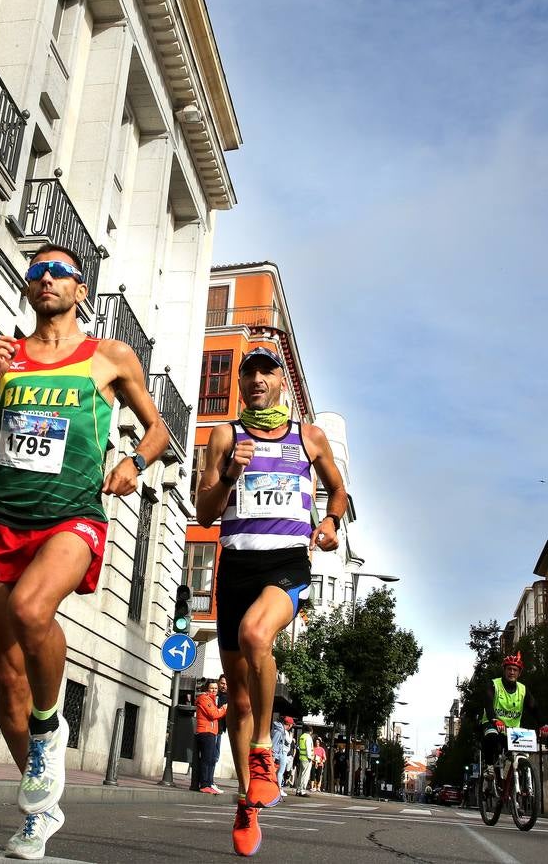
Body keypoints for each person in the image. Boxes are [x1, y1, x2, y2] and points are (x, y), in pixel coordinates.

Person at [0, 245, 169, 859]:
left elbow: (159, 430)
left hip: (72, 516)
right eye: (36, 272)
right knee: (7, 680)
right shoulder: (3, 355)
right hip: (5, 522)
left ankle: (50, 726)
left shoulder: (109, 356)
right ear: (27, 288)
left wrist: (133, 461)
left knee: (31, 609)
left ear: (80, 290)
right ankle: (39, 809)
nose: (44, 278)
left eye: (59, 272)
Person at [196, 346, 347, 856]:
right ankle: (246, 800)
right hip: (235, 564)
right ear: (242, 382)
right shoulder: (226, 436)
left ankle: (263, 748)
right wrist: (231, 477)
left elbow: (338, 492)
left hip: (286, 564)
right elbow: (204, 510)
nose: (258, 378)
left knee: (257, 634)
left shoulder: (308, 437)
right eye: (249, 371)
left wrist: (328, 523)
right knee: (237, 698)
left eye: (266, 370)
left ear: (282, 381)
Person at [480, 651, 548, 778]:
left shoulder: (523, 690)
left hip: (512, 730)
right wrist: (495, 720)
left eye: (515, 670)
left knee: (513, 757)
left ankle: (507, 786)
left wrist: (543, 724)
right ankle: (489, 767)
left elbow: (535, 708)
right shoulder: (494, 685)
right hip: (492, 723)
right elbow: (488, 705)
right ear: (504, 670)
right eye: (509, 669)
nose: (512, 672)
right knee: (491, 737)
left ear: (519, 673)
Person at [196, 680, 228, 794]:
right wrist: (224, 709)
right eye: (212, 688)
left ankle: (208, 783)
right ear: (207, 689)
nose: (214, 690)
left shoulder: (211, 699)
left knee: (211, 759)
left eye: (215, 688)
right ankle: (205, 784)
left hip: (211, 732)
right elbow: (214, 714)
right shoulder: (205, 698)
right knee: (207, 759)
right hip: (206, 731)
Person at [213, 673, 228, 790]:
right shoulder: (215, 696)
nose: (224, 686)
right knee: (211, 755)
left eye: (226, 684)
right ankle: (208, 780)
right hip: (213, 728)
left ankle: (210, 779)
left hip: (220, 729)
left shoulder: (229, 697)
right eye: (222, 683)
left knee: (215, 756)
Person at [295, 726, 314, 796]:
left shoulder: (302, 736)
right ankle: (302, 790)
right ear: (311, 731)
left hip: (301, 757)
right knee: (305, 775)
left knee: (301, 775)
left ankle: (298, 790)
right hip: (307, 758)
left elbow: (299, 747)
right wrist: (311, 757)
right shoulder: (308, 737)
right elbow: (308, 748)